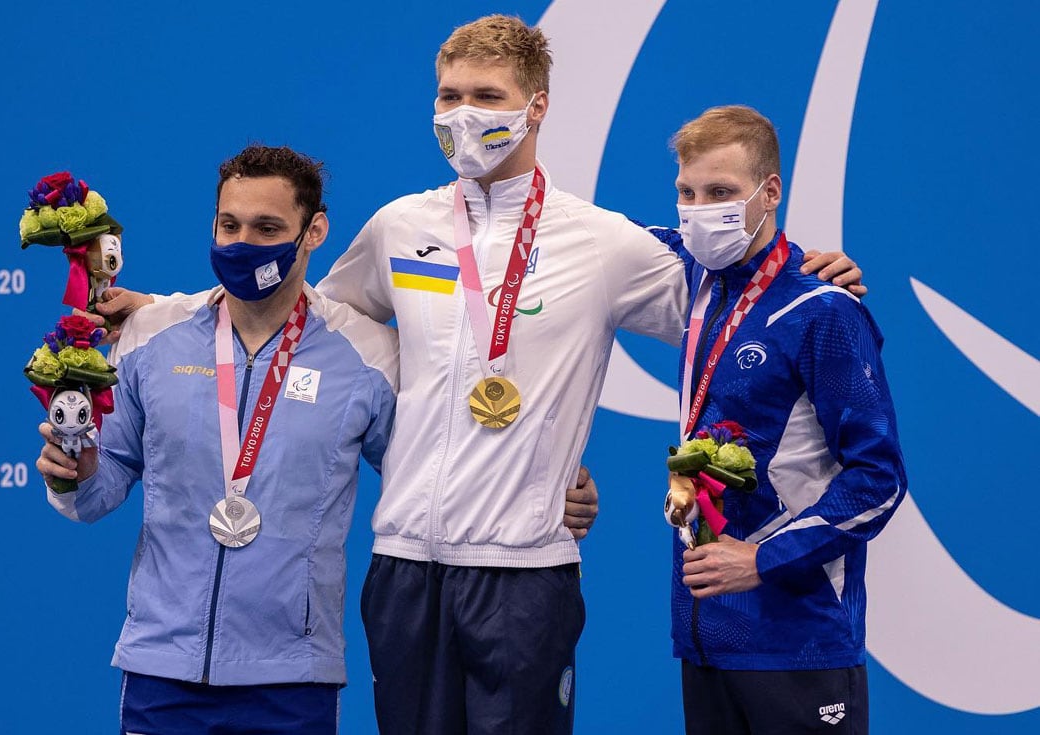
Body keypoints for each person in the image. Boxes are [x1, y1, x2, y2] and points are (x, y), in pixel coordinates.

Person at [94, 16, 861, 734]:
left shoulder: (602, 244)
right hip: (403, 567)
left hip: (524, 571)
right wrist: (166, 310)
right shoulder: (400, 226)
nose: (464, 114)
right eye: (449, 96)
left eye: (487, 97)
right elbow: (302, 314)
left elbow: (735, 307)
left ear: (537, 107)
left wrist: (807, 274)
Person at [36, 145, 400, 734]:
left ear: (315, 232)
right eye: (229, 225)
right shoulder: (152, 337)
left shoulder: (369, 358)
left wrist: (549, 489)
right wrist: (70, 474)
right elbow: (97, 495)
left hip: (292, 680)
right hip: (162, 671)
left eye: (267, 228)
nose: (242, 244)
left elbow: (432, 478)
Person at [657, 105, 906, 734]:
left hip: (800, 635)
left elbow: (878, 478)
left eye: (721, 193)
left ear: (770, 192)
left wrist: (762, 560)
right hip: (706, 633)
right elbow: (582, 233)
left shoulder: (824, 310)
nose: (699, 210)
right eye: (687, 192)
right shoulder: (693, 276)